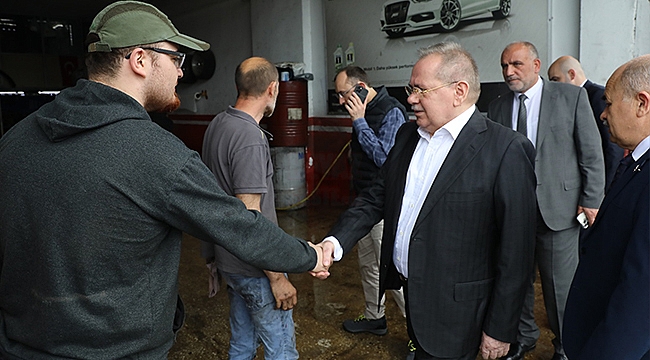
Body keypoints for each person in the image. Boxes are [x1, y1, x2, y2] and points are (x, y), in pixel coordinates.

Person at [0, 2, 328, 359]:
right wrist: (309, 255)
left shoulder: (15, 140)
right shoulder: (155, 153)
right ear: (140, 60)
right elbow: (239, 226)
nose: (181, 73)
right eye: (175, 59)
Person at [317, 42, 537, 360]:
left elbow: (517, 255)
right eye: (410, 88)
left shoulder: (505, 149)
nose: (410, 98)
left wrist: (500, 330)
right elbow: (376, 197)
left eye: (420, 89)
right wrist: (334, 243)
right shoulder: (408, 137)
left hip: (463, 319)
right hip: (415, 305)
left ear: (458, 91)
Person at [487, 42, 605, 360]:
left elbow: (591, 153)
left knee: (560, 287)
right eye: (504, 66)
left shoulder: (570, 96)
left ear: (537, 65)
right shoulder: (497, 107)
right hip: (513, 212)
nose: (509, 71)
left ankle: (567, 345)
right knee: (516, 280)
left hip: (559, 210)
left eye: (516, 64)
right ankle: (524, 337)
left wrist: (591, 199)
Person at [200, 57, 299, 360]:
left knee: (242, 345)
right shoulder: (249, 138)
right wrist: (277, 278)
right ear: (272, 89)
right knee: (281, 350)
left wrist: (211, 259)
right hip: (255, 270)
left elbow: (207, 198)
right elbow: (250, 217)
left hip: (230, 263)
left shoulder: (218, 124)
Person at [563, 55, 650, 360]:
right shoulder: (637, 163)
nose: (602, 114)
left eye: (609, 104)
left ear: (642, 104)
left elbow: (640, 299)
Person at [333, 66, 407, 336]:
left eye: (344, 94)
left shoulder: (392, 111)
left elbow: (385, 160)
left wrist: (360, 122)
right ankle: (375, 317)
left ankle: (418, 334)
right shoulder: (361, 111)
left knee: (391, 271)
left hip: (383, 206)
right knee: (368, 265)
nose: (341, 101)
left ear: (361, 86)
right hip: (363, 201)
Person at [548, 55, 625, 191]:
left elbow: (611, 147)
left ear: (572, 74)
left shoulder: (598, 96)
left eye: (556, 80)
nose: (553, 86)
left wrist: (603, 190)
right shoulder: (571, 99)